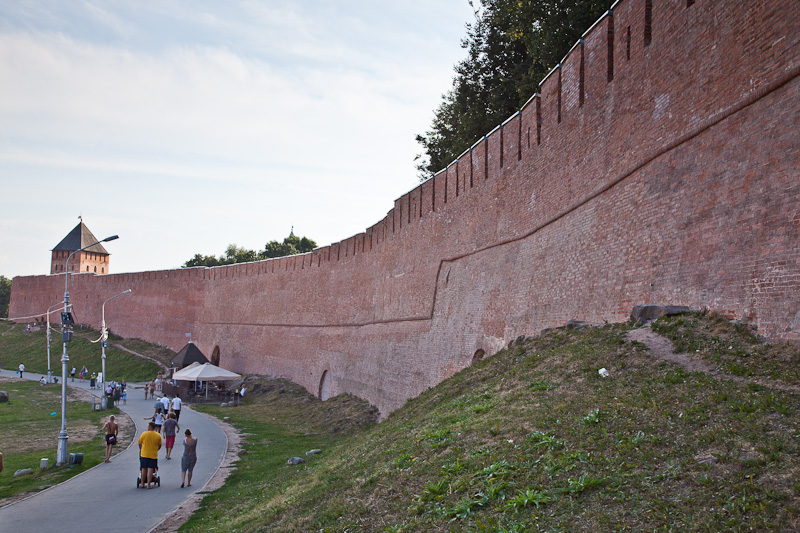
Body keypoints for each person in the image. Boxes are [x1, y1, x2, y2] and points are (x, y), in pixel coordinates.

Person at [138, 422, 162, 489]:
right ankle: (148, 484)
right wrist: (156, 449)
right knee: (151, 468)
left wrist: (141, 449)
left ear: (150, 426)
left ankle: (142, 483)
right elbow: (159, 445)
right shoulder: (158, 435)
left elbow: (139, 443)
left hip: (144, 454)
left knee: (144, 468)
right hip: (153, 454)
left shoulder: (144, 434)